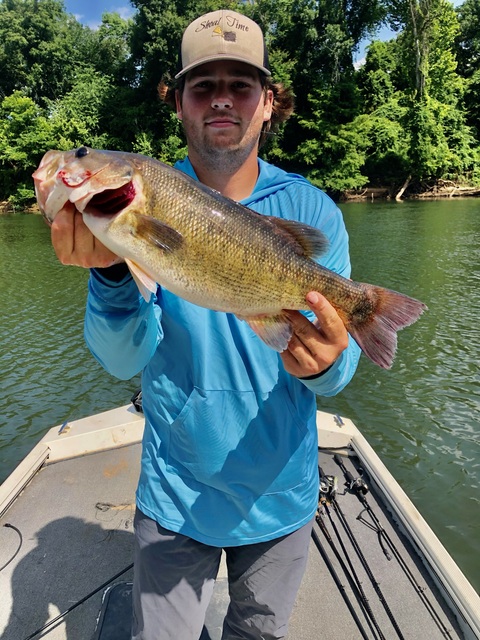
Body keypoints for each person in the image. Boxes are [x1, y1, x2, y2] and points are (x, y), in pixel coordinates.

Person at [50, 9, 361, 640]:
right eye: (203, 85)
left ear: (269, 103)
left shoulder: (312, 210)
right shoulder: (139, 203)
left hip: (281, 498)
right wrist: (110, 274)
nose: (222, 98)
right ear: (179, 103)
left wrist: (329, 361)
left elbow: (338, 376)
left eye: (240, 84)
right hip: (177, 495)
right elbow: (121, 357)